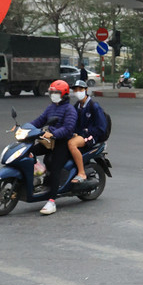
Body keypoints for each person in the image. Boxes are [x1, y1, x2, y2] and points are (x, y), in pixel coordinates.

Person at [29, 79, 78, 215]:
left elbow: (68, 128)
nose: (53, 95)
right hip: (49, 140)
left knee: (55, 168)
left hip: (62, 142)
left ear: (63, 94)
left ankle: (52, 201)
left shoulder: (70, 110)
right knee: (29, 151)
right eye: (51, 92)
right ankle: (39, 178)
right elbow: (40, 120)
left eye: (56, 92)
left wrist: (54, 134)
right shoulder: (51, 107)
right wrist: (26, 127)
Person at [67, 80, 108, 184]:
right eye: (75, 90)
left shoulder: (94, 106)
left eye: (80, 89)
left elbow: (102, 127)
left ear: (86, 90)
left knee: (72, 144)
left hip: (92, 136)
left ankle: (81, 173)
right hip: (80, 134)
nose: (77, 92)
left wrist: (87, 131)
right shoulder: (77, 106)